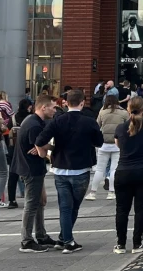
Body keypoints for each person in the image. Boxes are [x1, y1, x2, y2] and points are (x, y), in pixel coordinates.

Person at [34, 88, 104, 254]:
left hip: (60, 168)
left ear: (66, 103)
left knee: (65, 207)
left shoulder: (58, 120)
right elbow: (99, 142)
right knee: (74, 207)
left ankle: (64, 238)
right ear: (82, 103)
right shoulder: (89, 121)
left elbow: (40, 140)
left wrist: (49, 150)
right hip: (80, 168)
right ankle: (67, 241)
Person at [14, 95, 58, 253]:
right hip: (31, 168)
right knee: (32, 204)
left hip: (30, 167)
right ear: (43, 107)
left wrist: (41, 146)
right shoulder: (34, 125)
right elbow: (41, 152)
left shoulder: (32, 120)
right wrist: (48, 148)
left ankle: (41, 235)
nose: (55, 110)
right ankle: (26, 240)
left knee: (40, 201)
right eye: (53, 107)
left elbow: (39, 145)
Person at [113, 96, 143, 254]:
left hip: (123, 171)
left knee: (121, 209)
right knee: (141, 209)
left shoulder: (120, 128)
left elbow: (119, 145)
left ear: (128, 109)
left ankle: (120, 244)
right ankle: (137, 243)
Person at [89, 95, 128, 200]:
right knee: (114, 169)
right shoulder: (124, 112)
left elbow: (97, 126)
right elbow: (128, 126)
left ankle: (93, 192)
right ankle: (111, 192)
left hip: (104, 144)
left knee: (99, 169)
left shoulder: (102, 112)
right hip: (118, 144)